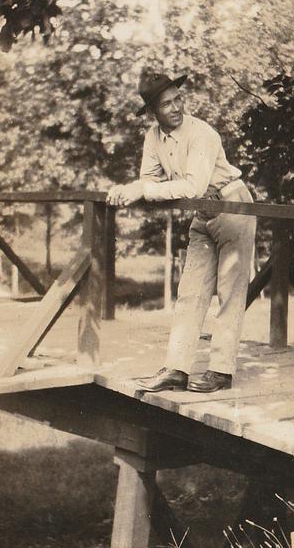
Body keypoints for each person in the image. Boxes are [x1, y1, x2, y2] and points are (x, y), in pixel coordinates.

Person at [106, 70, 256, 393]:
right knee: (189, 291)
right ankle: (176, 368)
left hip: (232, 204)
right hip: (203, 211)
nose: (176, 108)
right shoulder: (152, 138)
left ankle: (221, 371)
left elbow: (193, 185)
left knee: (230, 291)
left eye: (178, 99)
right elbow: (150, 178)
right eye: (166, 104)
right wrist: (135, 187)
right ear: (152, 112)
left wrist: (142, 190)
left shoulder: (202, 134)